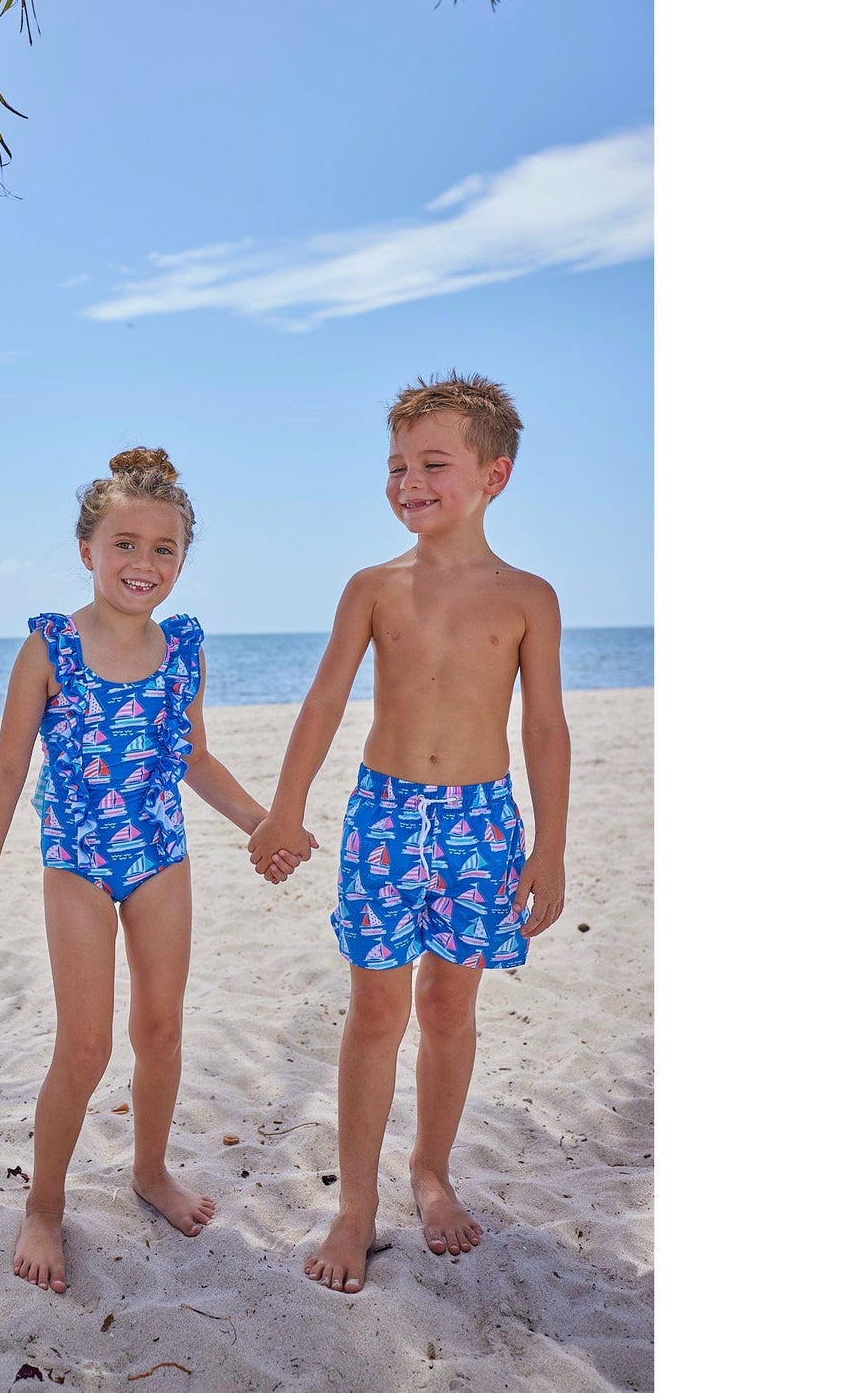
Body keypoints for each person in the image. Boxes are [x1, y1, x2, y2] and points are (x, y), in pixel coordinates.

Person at [0, 446, 309, 1295]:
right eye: (124, 544)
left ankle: (149, 1172)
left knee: (161, 1033)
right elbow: (7, 768)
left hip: (159, 857)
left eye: (163, 548)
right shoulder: (50, 647)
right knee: (85, 1045)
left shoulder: (184, 648)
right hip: (75, 859)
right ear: (87, 549)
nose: (143, 563)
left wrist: (262, 822)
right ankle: (44, 1204)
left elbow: (193, 758)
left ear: (182, 560)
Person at [247, 373, 571, 1289]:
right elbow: (324, 700)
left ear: (494, 475)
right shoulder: (373, 587)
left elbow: (546, 727)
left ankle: (431, 1172)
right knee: (377, 1013)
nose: (409, 482)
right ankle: (355, 1206)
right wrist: (285, 806)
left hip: (481, 823)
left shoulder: (528, 597)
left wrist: (550, 846)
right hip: (383, 817)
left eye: (433, 463)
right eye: (397, 466)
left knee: (450, 1010)